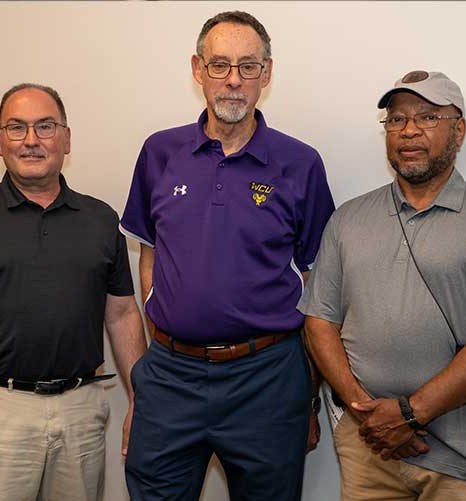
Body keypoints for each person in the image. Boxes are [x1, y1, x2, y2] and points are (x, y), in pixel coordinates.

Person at [120, 10, 335, 501]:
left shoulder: (301, 163)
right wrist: (163, 329)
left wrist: (308, 394)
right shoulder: (159, 153)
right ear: (198, 70)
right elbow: (150, 254)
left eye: (247, 66)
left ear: (267, 73)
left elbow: (319, 285)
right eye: (219, 65)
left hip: (267, 378)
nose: (233, 80)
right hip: (171, 375)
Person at [299, 70, 466, 500]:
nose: (409, 130)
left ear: (459, 130)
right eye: (396, 119)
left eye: (428, 117)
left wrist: (408, 415)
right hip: (369, 452)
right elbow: (319, 323)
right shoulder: (348, 220)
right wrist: (365, 413)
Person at [0, 83, 147, 501]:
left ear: (66, 139)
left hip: (80, 411)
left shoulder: (100, 219)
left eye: (45, 126)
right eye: (17, 127)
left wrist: (142, 401)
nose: (31, 140)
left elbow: (123, 314)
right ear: (0, 141)